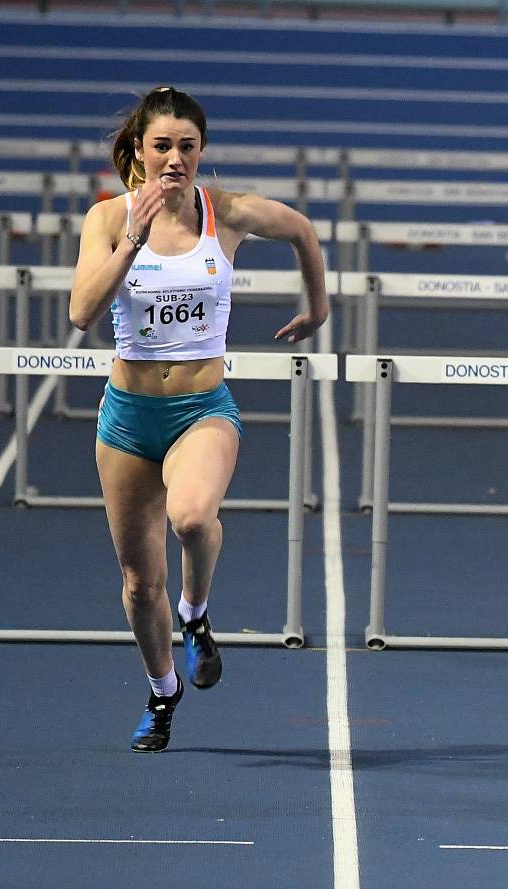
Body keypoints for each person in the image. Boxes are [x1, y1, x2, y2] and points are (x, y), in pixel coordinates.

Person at [68, 87, 329, 752]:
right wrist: (133, 240)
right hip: (128, 418)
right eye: (162, 146)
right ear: (139, 151)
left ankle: (196, 611)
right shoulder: (108, 219)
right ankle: (162, 693)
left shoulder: (226, 213)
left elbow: (302, 229)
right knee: (138, 584)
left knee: (189, 518)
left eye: (187, 146)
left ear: (201, 150)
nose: (175, 158)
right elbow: (81, 312)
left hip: (202, 409)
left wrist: (318, 308)